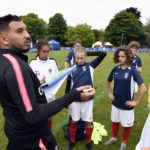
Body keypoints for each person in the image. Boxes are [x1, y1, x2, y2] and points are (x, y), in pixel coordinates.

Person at [0, 14, 95, 150]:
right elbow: (33, 115)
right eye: (19, 31)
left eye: (25, 30)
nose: (27, 35)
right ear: (4, 39)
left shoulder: (5, 60)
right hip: (33, 138)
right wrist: (74, 95)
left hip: (17, 133)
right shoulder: (15, 66)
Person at [104, 46, 147, 150]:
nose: (120, 58)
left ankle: (124, 143)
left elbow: (143, 88)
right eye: (119, 56)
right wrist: (109, 93)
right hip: (115, 102)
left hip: (127, 104)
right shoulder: (115, 69)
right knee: (115, 121)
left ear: (128, 57)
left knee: (126, 125)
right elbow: (108, 81)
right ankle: (114, 138)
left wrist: (136, 102)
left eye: (122, 56)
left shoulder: (133, 70)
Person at [65, 47, 107, 150]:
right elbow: (67, 87)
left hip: (88, 100)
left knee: (88, 122)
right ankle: (72, 141)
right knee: (74, 121)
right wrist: (67, 103)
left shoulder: (90, 66)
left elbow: (103, 54)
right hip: (75, 100)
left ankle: (88, 143)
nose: (79, 60)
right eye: (77, 58)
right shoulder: (71, 69)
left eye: (82, 58)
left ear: (86, 57)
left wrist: (86, 52)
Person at [29, 40, 58, 130]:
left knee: (49, 118)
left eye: (48, 51)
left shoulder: (52, 62)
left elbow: (57, 77)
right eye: (44, 51)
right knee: (39, 119)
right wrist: (39, 83)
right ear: (38, 51)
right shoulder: (32, 63)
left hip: (50, 96)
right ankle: (40, 137)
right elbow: (29, 81)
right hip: (38, 96)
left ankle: (48, 135)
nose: (46, 54)